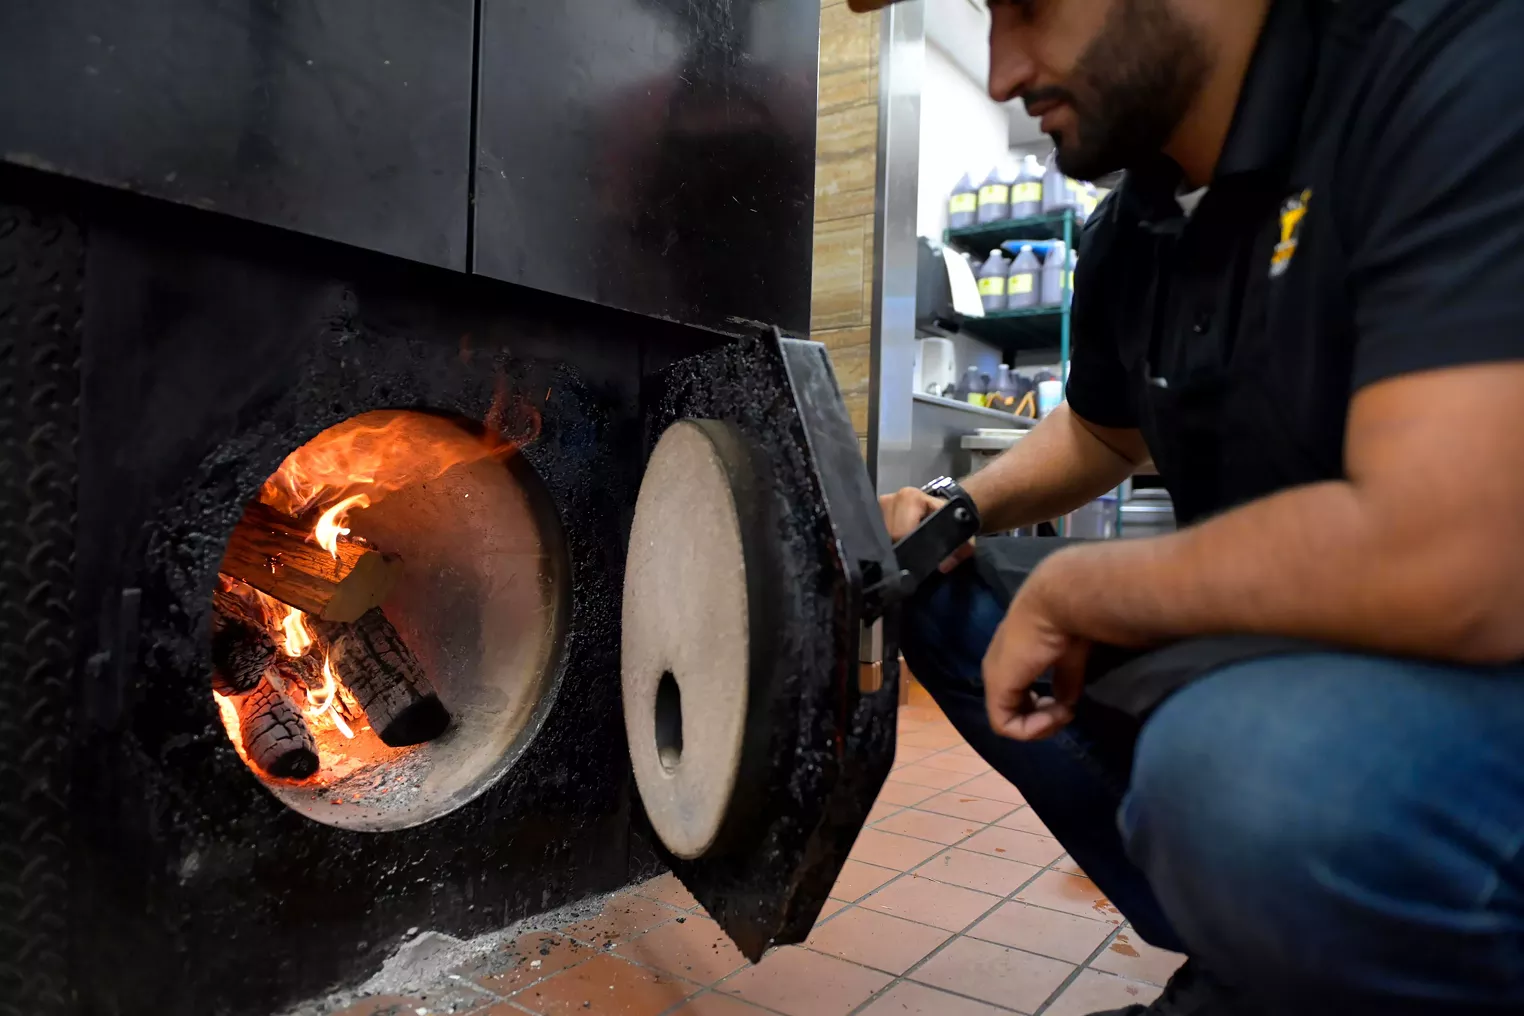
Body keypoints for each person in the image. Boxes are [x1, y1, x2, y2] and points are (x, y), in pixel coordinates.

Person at [852, 0, 1524, 1013]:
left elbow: (1456, 553)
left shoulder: (1447, 70)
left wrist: (1086, 588)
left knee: (1235, 774)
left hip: (1480, 659)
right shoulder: (1136, 226)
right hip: (1310, 643)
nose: (1001, 71)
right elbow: (1102, 432)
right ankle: (1248, 948)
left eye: (1026, 5)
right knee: (935, 588)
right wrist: (953, 507)